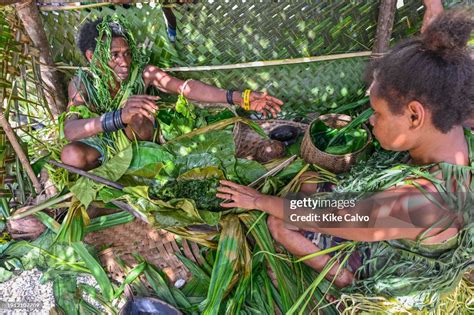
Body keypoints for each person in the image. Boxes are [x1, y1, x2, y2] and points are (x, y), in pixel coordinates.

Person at [216, 10, 473, 306]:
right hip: (403, 234)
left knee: (279, 223)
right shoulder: (454, 126)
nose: (372, 121)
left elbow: (329, 216)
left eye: (378, 113)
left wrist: (256, 200)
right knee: (311, 179)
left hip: (396, 271)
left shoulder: (421, 204)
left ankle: (348, 282)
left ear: (415, 115)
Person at [61, 17, 283, 170]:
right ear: (92, 57)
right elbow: (71, 130)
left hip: (139, 141)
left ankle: (142, 164)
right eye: (115, 55)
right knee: (70, 155)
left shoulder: (143, 73)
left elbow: (185, 87)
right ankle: (113, 172)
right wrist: (119, 117)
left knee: (138, 112)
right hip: (103, 145)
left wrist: (240, 98)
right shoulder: (82, 83)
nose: (124, 62)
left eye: (127, 54)